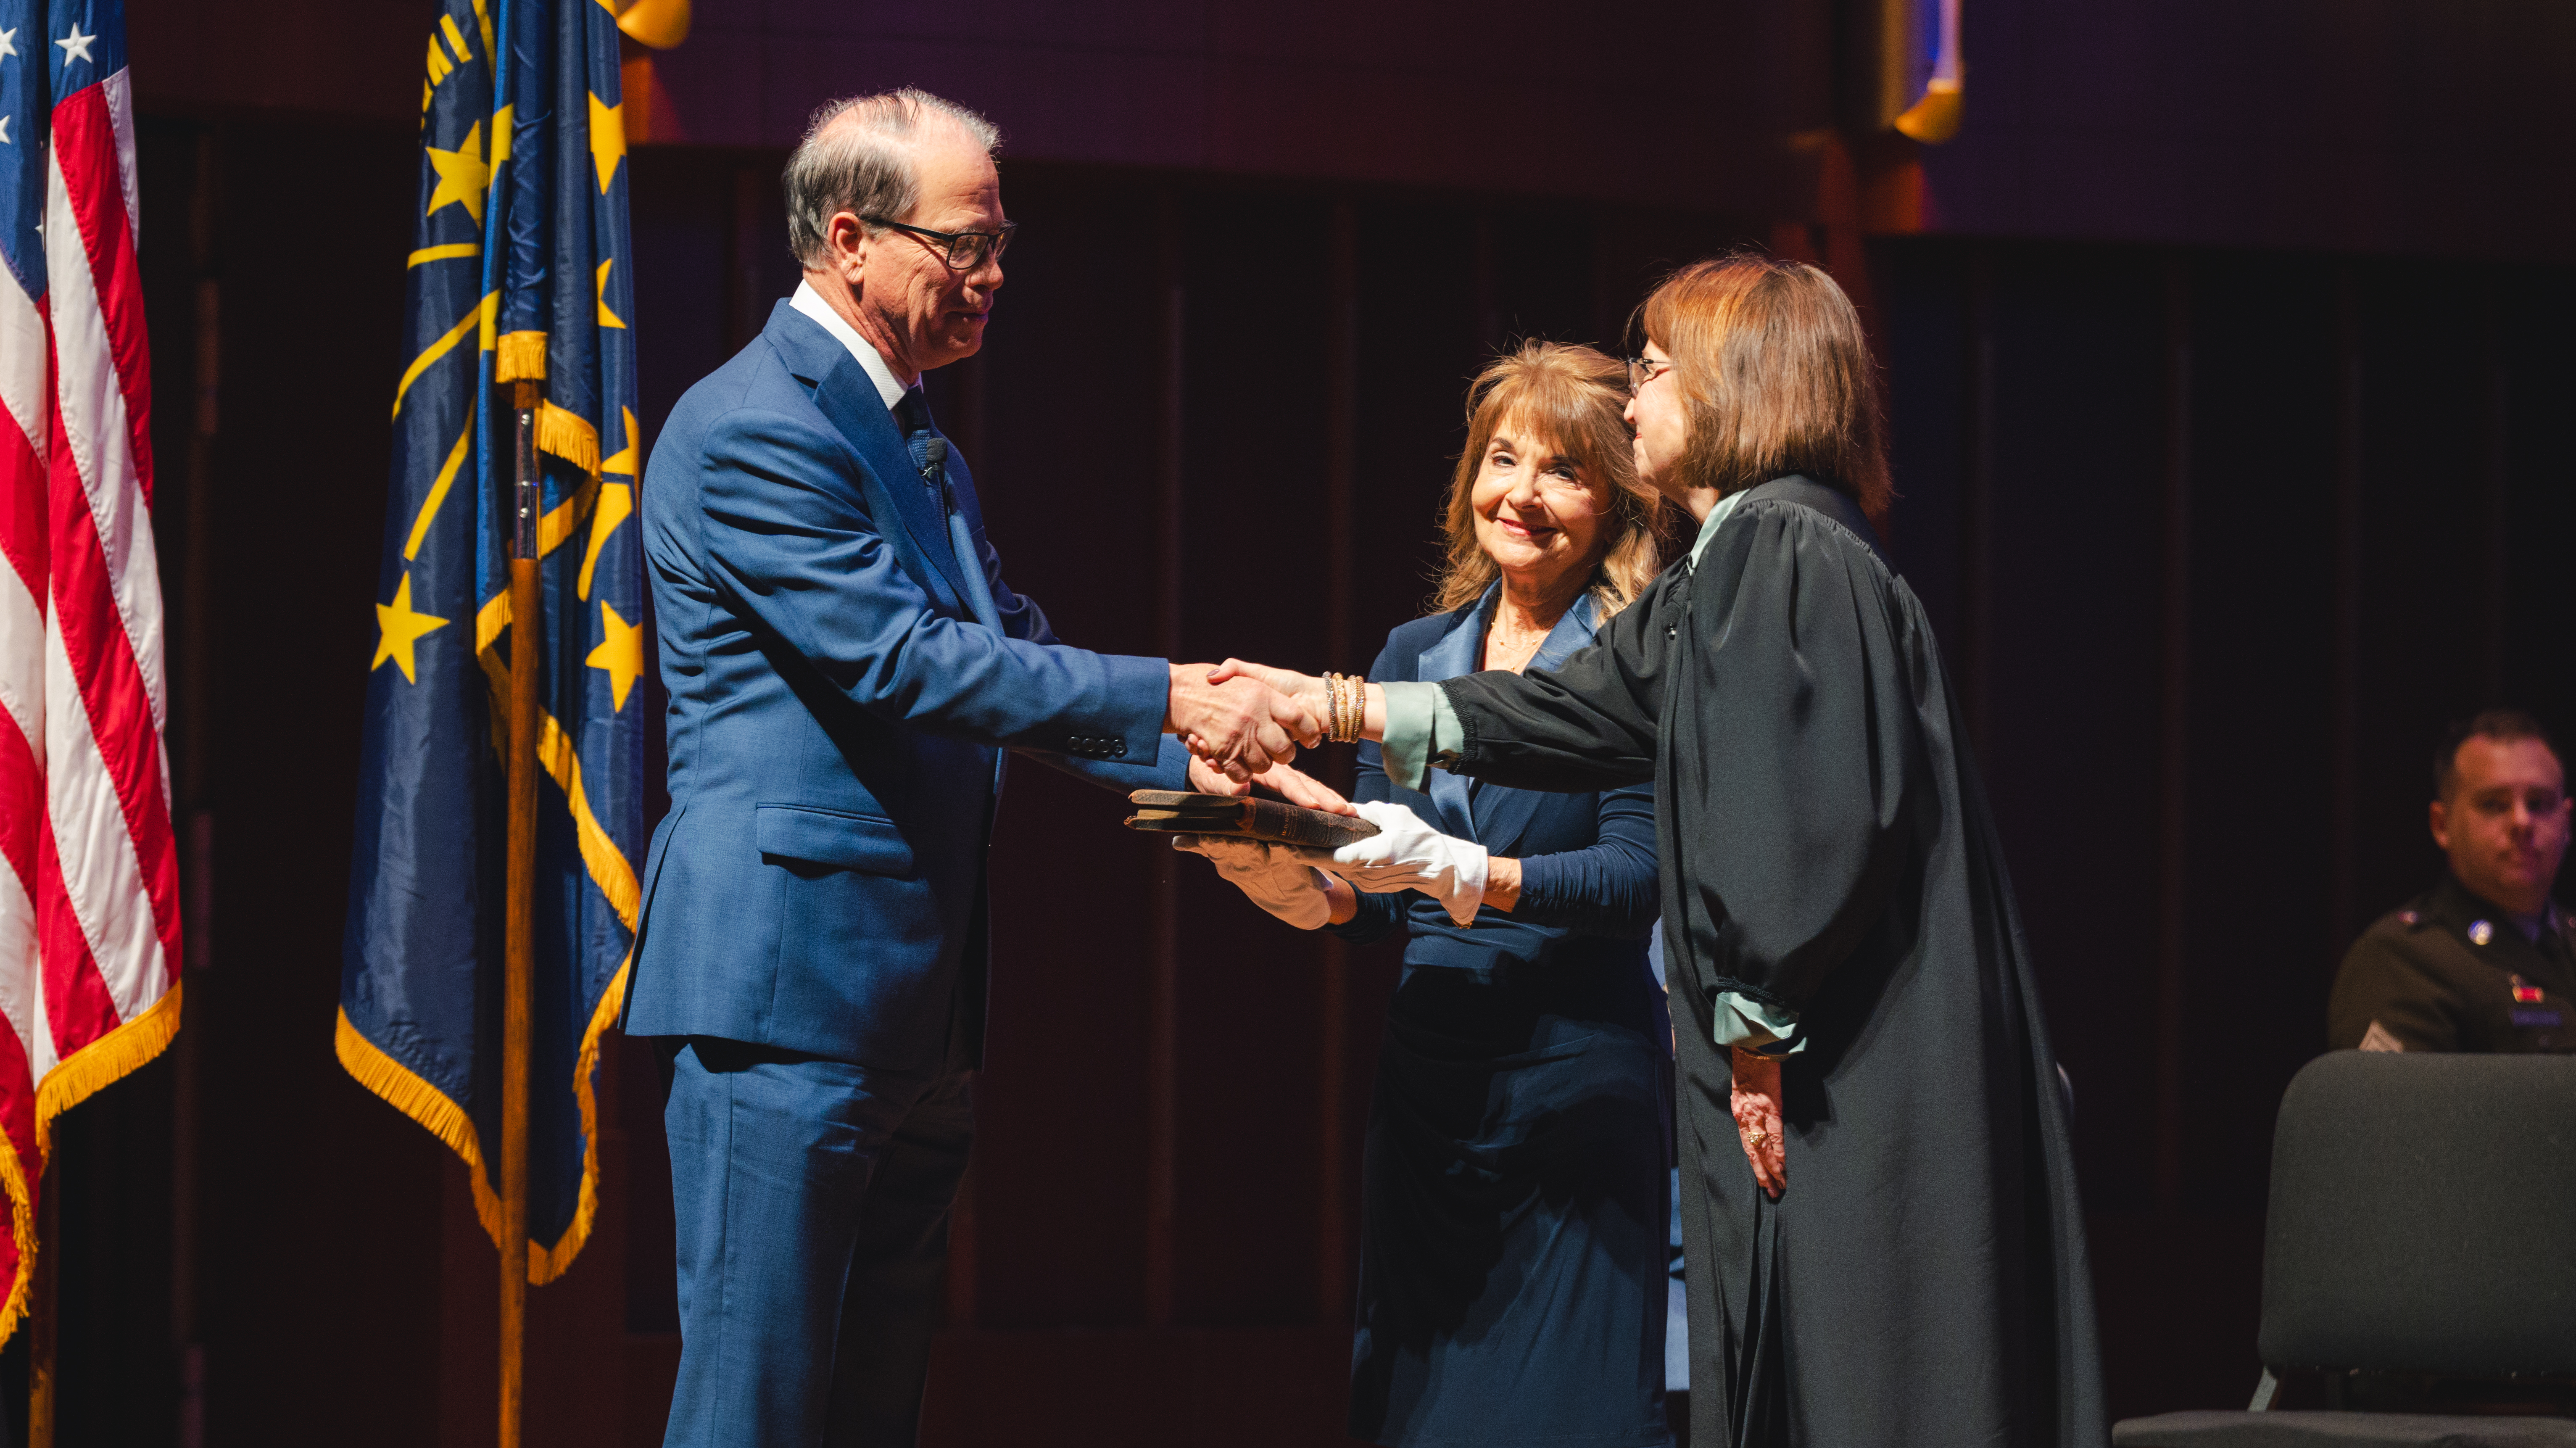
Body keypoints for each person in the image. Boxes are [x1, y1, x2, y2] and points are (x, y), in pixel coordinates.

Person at [1210, 256, 2104, 1448]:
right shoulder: (1737, 561)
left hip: (1843, 1062)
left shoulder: (1776, 548)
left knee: (1871, 1386)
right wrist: (1327, 705)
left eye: (1653, 372)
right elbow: (1575, 712)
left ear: (1738, 384)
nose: (1632, 404)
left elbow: (1816, 826)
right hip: (1560, 1082)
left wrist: (1751, 1031)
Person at [625, 89, 1319, 1447]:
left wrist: (1214, 766)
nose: (995, 276)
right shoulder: (758, 428)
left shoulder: (906, 427)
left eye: (1004, 244)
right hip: (787, 1005)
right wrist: (1176, 685)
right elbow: (911, 664)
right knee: (753, 1414)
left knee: (866, 1410)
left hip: (907, 1011)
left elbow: (1012, 648)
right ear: (848, 239)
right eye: (967, 245)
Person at [1179, 343, 1677, 1447]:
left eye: (1565, 469)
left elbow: (1637, 881)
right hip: (1428, 1099)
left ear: (1616, 502)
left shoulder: (1634, 664)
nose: (1523, 494)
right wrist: (1280, 867)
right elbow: (1379, 895)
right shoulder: (1412, 655)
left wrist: (1468, 872)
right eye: (1504, 459)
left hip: (1575, 1089)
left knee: (1571, 1418)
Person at [2329, 710, 2574, 1053]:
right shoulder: (2402, 959)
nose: (2522, 821)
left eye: (2538, 803)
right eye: (2494, 804)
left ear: (2567, 822)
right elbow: (2398, 1107)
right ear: (2441, 825)